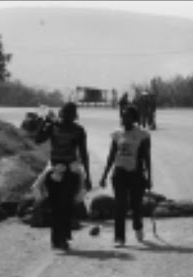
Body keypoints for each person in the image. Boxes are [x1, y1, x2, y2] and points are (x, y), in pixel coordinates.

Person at [35, 102, 92, 250]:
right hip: (54, 169)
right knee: (55, 205)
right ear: (61, 114)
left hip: (70, 170)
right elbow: (38, 140)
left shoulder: (79, 131)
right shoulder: (52, 127)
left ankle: (63, 236)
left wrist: (87, 176)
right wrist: (43, 124)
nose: (67, 118)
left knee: (66, 205)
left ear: (74, 116)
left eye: (70, 115)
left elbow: (84, 154)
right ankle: (57, 238)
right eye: (65, 114)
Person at [99, 105, 152, 247]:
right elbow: (111, 155)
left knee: (136, 205)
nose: (124, 118)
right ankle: (119, 237)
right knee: (119, 205)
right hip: (119, 173)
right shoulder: (117, 134)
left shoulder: (143, 135)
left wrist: (149, 177)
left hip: (136, 173)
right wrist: (104, 175)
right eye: (122, 116)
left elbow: (147, 158)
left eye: (127, 116)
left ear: (134, 118)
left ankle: (138, 226)